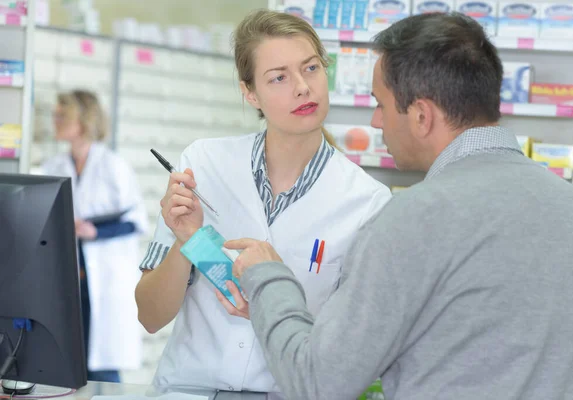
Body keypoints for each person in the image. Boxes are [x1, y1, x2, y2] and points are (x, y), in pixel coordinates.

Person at [226, 13, 573, 400]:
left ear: (422, 116)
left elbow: (319, 381)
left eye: (381, 104)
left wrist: (268, 278)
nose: (375, 121)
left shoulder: (412, 220)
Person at [134, 9, 392, 393]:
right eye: (279, 77)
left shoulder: (367, 201)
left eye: (311, 69)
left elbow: (356, 349)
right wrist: (189, 241)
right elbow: (150, 316)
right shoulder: (203, 165)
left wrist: (274, 307)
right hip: (191, 389)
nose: (302, 87)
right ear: (250, 92)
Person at [42, 90, 148, 383]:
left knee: (101, 369)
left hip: (103, 280)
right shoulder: (53, 167)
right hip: (66, 282)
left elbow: (136, 221)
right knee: (64, 365)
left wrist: (95, 231)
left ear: (83, 121)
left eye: (63, 115)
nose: (56, 119)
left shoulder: (114, 166)